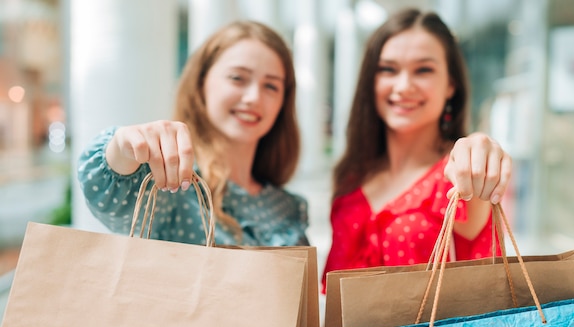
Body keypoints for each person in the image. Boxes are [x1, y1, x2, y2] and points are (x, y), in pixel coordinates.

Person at [321, 8, 512, 292]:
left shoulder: (456, 175)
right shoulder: (352, 174)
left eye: (423, 70)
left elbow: (475, 161)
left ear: (451, 85)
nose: (403, 86)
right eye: (388, 69)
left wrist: (479, 145)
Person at [77, 21, 309, 247]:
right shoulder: (174, 185)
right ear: (201, 83)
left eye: (271, 86)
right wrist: (122, 147)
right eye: (237, 78)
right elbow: (112, 196)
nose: (253, 98)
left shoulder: (287, 209)